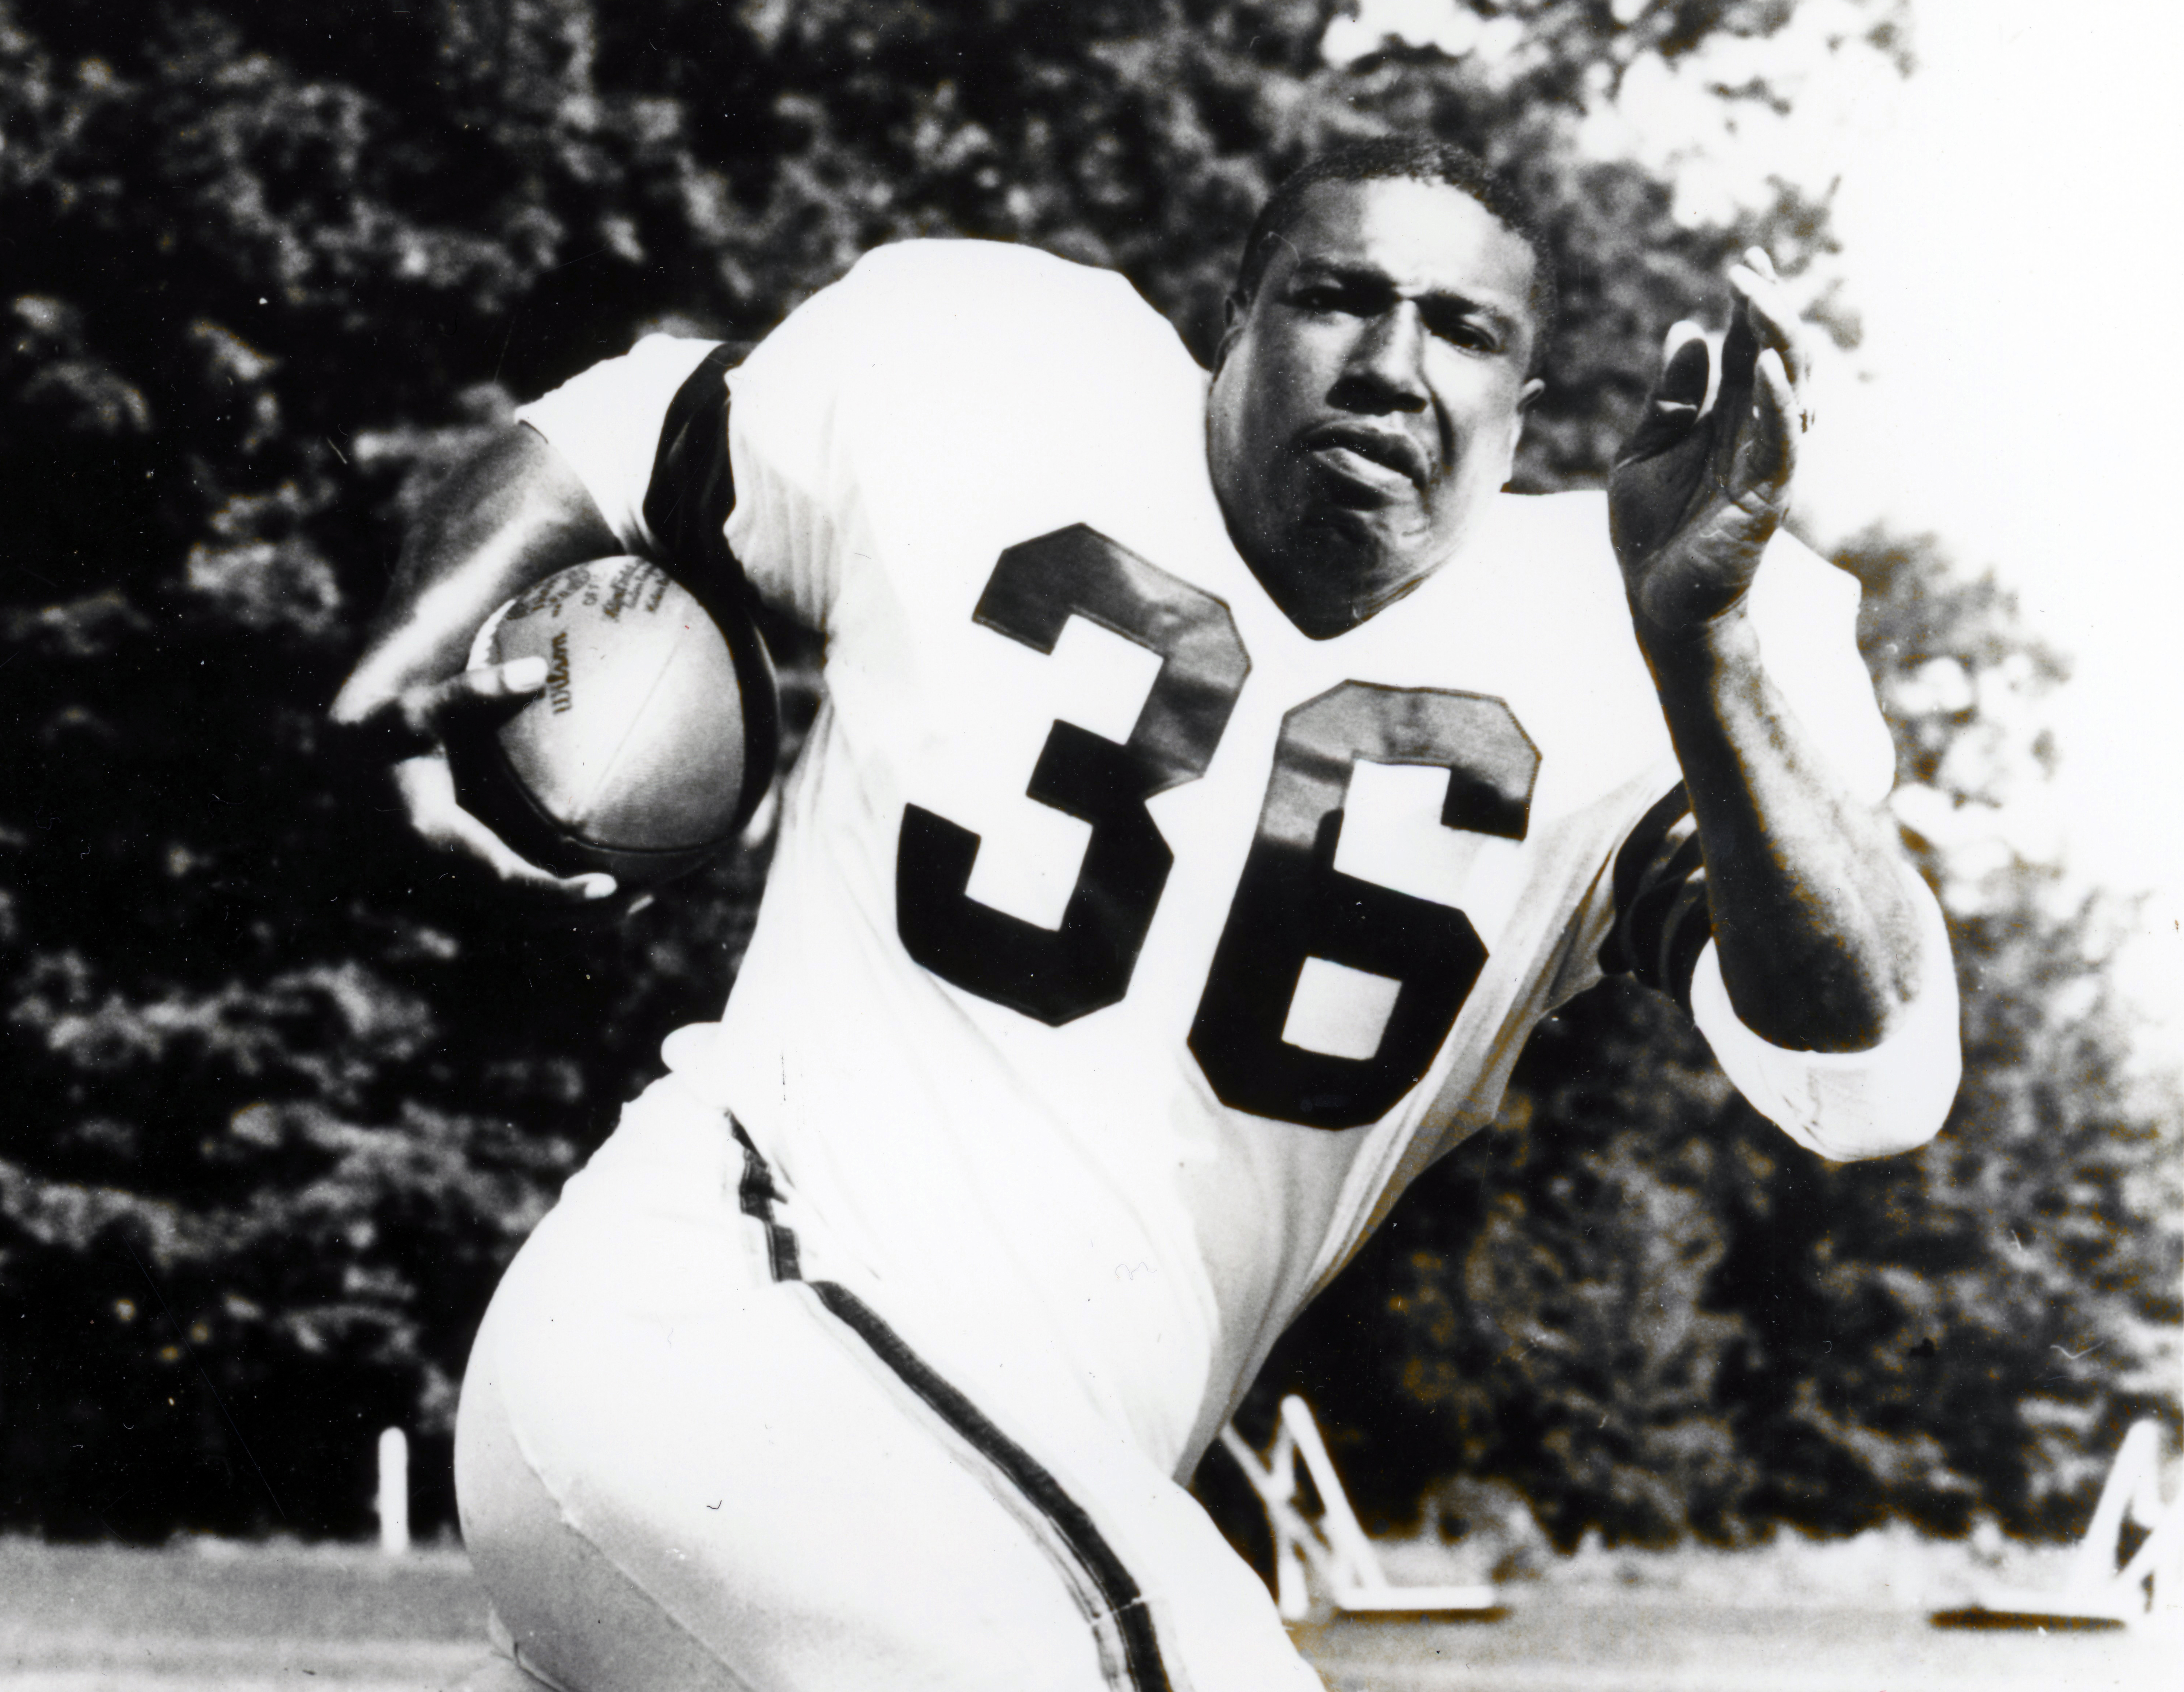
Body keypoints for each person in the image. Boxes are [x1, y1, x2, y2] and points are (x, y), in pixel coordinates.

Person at [330, 138, 1958, 1692]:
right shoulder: (1000, 386)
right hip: (712, 1324)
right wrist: (409, 671)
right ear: (1233, 321)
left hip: (962, 1518)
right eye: (1340, 299)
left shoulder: (1636, 648)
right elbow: (625, 429)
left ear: (1525, 409)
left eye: (1463, 330)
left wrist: (1711, 646)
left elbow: (1872, 1071)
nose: (1395, 363)